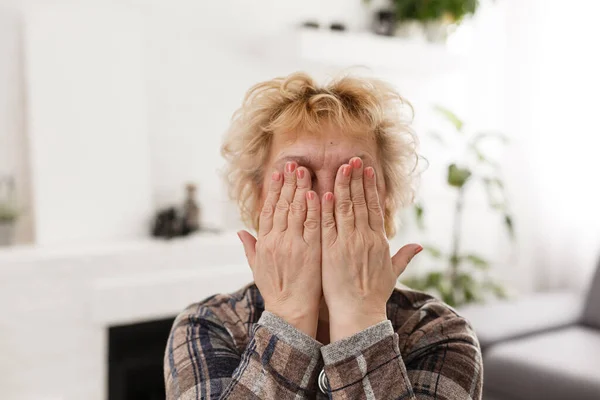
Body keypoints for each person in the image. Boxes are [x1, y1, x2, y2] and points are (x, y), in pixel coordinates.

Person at [164, 72, 483, 399]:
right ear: (260, 199)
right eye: (297, 176)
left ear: (385, 201)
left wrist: (359, 319)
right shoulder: (208, 326)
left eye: (353, 177)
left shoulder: (440, 334)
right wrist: (288, 317)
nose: (327, 201)